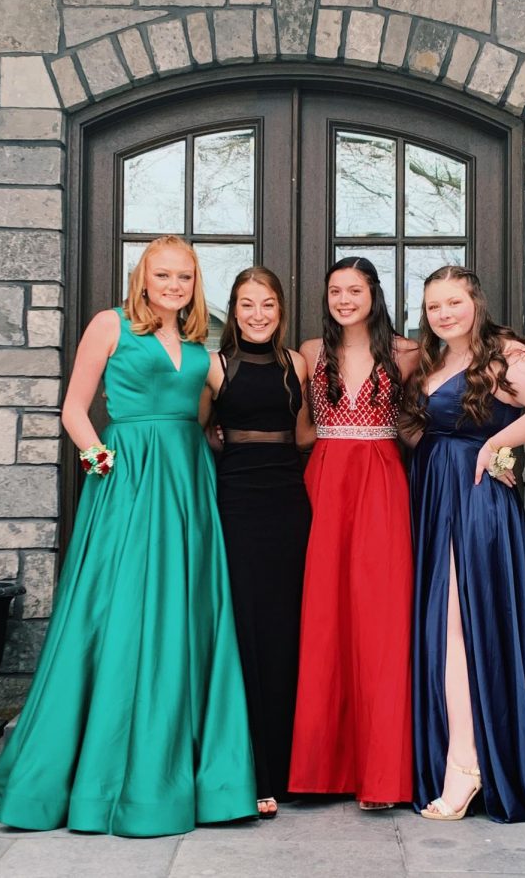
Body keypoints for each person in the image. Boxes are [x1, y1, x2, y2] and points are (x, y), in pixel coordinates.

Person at [0, 235, 257, 836]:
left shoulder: (202, 346)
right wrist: (98, 457)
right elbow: (75, 409)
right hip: (126, 476)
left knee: (186, 612)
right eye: (163, 275)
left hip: (186, 485)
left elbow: (204, 423)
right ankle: (91, 774)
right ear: (143, 277)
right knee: (118, 609)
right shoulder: (110, 324)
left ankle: (190, 770)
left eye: (185, 277)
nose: (174, 286)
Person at [403, 264, 525, 823]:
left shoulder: (504, 353)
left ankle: (467, 763)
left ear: (475, 302)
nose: (444, 314)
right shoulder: (435, 360)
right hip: (434, 493)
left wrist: (495, 447)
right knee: (442, 625)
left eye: (453, 302)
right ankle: (461, 749)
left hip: (476, 499)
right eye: (434, 306)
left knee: (459, 624)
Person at [288, 256, 419, 810]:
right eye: (335, 291)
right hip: (325, 482)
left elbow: (427, 418)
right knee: (323, 618)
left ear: (374, 294)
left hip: (382, 483)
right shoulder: (312, 354)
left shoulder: (408, 352)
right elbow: (299, 432)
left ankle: (381, 775)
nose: (344, 299)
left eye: (355, 290)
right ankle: (319, 771)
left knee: (379, 619)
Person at [202, 267, 312, 819]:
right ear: (234, 309)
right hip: (237, 504)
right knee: (244, 628)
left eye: (267, 304)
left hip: (291, 505)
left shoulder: (298, 364)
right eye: (247, 305)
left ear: (280, 309)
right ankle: (254, 769)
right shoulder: (215, 366)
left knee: (286, 631)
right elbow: (197, 429)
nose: (258, 315)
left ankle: (291, 766)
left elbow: (307, 434)